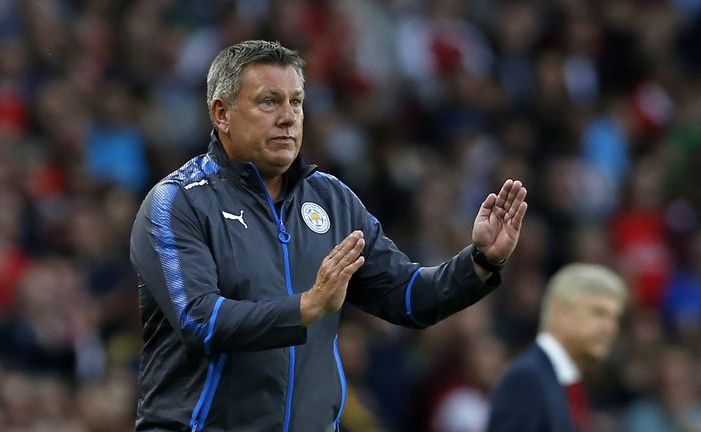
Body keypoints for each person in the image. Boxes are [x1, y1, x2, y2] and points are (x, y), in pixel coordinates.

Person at [130, 39, 528, 432]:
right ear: (222, 114)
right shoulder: (178, 202)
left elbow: (408, 297)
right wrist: (304, 307)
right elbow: (199, 319)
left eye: (297, 102)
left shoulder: (331, 199)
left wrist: (479, 260)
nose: (288, 117)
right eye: (269, 102)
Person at [486, 263, 627, 432]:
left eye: (615, 318)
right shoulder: (526, 380)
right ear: (559, 311)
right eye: (599, 313)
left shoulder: (566, 382)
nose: (611, 328)